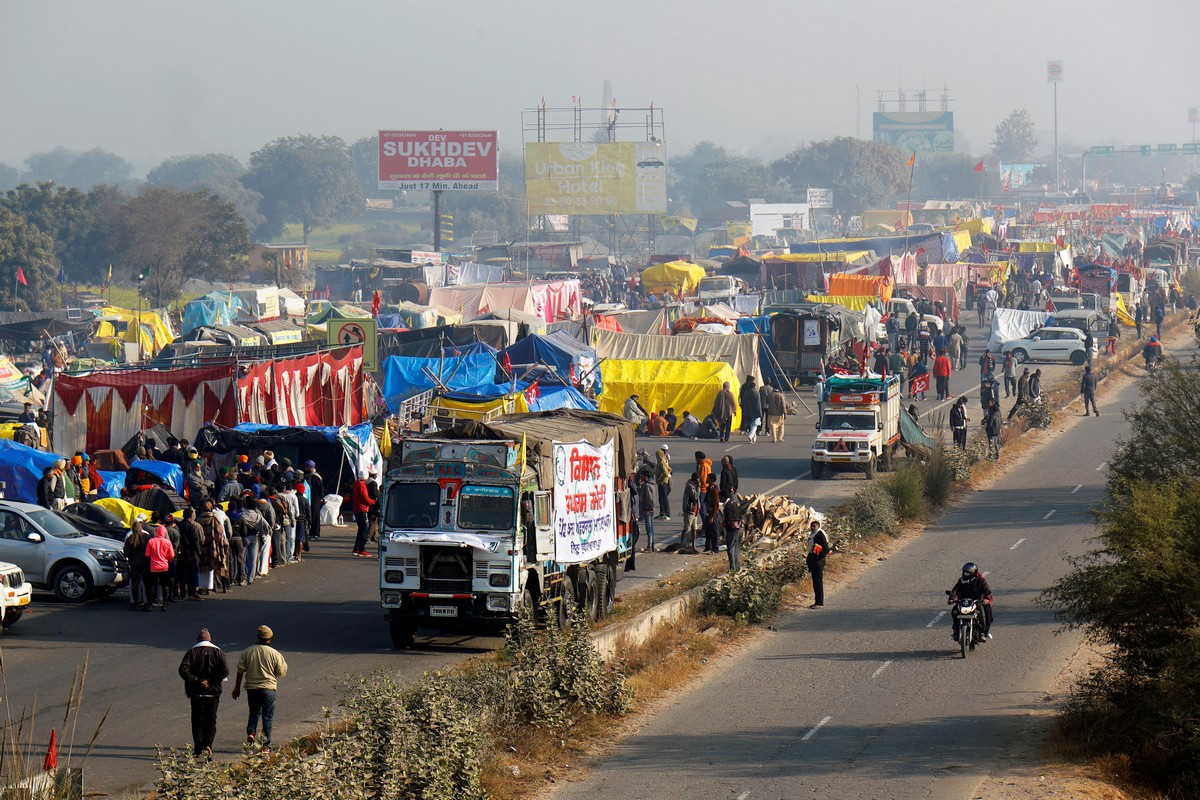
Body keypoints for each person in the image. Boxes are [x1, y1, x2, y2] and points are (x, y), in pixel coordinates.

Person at [233, 625, 288, 752]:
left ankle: (251, 732)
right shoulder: (274, 653)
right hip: (268, 689)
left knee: (254, 712)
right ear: (270, 638)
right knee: (267, 716)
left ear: (258, 636)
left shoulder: (248, 651)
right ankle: (265, 745)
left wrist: (237, 688)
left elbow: (240, 670)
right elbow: (281, 671)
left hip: (252, 688)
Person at [178, 628, 230, 760]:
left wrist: (197, 681)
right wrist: (211, 681)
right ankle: (208, 745)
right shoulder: (218, 652)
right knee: (210, 720)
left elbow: (183, 670)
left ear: (198, 640)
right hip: (212, 693)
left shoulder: (191, 652)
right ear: (209, 639)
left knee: (197, 721)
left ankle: (198, 748)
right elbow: (225, 671)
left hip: (195, 693)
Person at [948, 562, 993, 642]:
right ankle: (956, 631)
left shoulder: (980, 581)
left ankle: (983, 632)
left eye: (967, 572)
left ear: (973, 573)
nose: (965, 573)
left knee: (983, 614)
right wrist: (951, 598)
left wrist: (986, 599)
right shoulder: (961, 581)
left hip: (977, 602)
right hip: (964, 602)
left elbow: (987, 590)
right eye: (964, 571)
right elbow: (955, 590)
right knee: (954, 612)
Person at [145, 524, 176, 611]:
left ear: (156, 532)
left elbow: (147, 554)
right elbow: (171, 555)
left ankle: (150, 604)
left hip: (153, 567)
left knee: (152, 585)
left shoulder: (151, 541)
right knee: (164, 586)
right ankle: (164, 605)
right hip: (164, 567)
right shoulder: (167, 542)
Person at [806, 520, 829, 608]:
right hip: (815, 561)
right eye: (811, 526)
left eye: (814, 526)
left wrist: (818, 558)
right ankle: (817, 601)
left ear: (818, 527)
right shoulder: (813, 534)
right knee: (816, 581)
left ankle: (819, 602)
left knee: (818, 582)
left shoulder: (819, 535)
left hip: (818, 562)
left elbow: (826, 549)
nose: (812, 528)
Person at [721, 489, 743, 572]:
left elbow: (728, 520)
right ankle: (737, 567)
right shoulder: (734, 504)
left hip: (732, 530)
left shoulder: (727, 507)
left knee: (730, 549)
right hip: (740, 528)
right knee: (737, 548)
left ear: (723, 497)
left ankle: (732, 568)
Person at [679, 472, 701, 554]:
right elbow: (695, 496)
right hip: (689, 510)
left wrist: (699, 507)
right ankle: (681, 545)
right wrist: (698, 487)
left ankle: (693, 546)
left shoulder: (693, 486)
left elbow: (697, 499)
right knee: (686, 528)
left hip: (694, 511)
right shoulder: (689, 486)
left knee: (694, 529)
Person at [303, 461, 324, 541]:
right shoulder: (309, 476)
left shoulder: (315, 477)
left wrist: (321, 497)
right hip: (311, 498)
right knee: (311, 515)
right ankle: (312, 531)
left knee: (315, 516)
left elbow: (320, 488)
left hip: (315, 499)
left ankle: (315, 532)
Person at [738, 376, 762, 442]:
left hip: (746, 409)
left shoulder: (745, 391)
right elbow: (758, 403)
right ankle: (750, 436)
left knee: (751, 424)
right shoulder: (756, 393)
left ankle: (753, 438)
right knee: (755, 425)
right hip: (755, 411)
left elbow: (741, 398)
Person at [701, 474, 721, 554]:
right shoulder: (709, 488)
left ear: (712, 480)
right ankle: (708, 547)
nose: (706, 479)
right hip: (708, 511)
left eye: (708, 478)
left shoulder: (715, 490)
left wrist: (712, 516)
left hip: (713, 513)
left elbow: (716, 504)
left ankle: (715, 548)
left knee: (714, 531)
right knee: (708, 531)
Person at [637, 471, 656, 551]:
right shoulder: (650, 484)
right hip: (651, 509)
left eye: (642, 476)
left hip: (648, 509)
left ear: (646, 477)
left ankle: (649, 546)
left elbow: (648, 498)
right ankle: (652, 545)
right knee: (651, 527)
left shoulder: (647, 486)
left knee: (649, 528)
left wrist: (645, 508)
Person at [654, 445, 671, 521]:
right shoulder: (662, 461)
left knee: (664, 498)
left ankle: (667, 514)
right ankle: (662, 513)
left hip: (663, 483)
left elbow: (666, 472)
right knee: (661, 498)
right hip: (662, 482)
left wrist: (661, 479)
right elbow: (669, 469)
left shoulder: (661, 462)